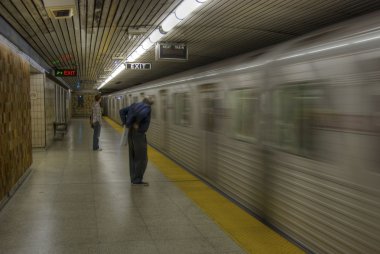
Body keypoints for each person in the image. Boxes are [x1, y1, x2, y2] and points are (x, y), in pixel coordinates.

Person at [119, 97, 154, 185]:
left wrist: (125, 123)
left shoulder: (134, 105)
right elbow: (142, 114)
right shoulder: (147, 107)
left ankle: (134, 178)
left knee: (133, 156)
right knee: (142, 158)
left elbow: (122, 111)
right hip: (138, 134)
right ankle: (137, 179)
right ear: (149, 103)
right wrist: (137, 123)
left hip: (130, 132)